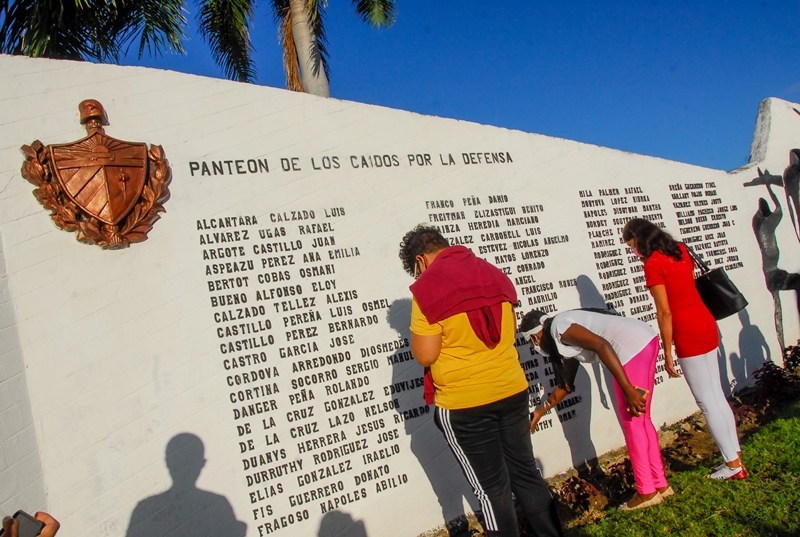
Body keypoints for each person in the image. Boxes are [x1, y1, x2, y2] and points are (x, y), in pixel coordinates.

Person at [399, 225, 562, 537]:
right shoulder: (492, 272)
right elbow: (507, 331)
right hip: (511, 388)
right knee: (526, 473)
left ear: (421, 259)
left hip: (464, 404)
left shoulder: (427, 287)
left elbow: (426, 356)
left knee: (491, 489)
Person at [622, 218, 745, 480]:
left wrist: (667, 353)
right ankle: (734, 455)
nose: (634, 252)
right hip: (705, 321)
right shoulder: (680, 250)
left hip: (687, 331)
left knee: (706, 401)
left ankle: (733, 465)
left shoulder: (653, 264)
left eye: (632, 246)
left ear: (639, 239)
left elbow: (664, 313)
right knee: (716, 395)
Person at [520, 308, 670, 511]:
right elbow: (566, 384)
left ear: (537, 334)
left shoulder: (559, 328)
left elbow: (602, 345)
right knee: (642, 420)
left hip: (630, 349)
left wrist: (628, 389)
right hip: (643, 340)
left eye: (532, 341)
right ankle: (659, 484)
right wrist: (539, 411)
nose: (535, 345)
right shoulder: (563, 334)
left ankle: (646, 491)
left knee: (632, 422)